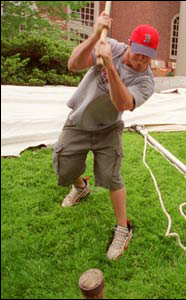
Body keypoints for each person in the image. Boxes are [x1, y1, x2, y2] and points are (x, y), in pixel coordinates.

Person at [52, 11, 159, 260]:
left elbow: (121, 103)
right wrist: (93, 38)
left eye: (148, 56)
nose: (141, 59)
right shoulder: (109, 44)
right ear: (130, 43)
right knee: (64, 168)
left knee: (112, 177)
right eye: (138, 51)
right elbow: (73, 64)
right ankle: (80, 188)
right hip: (79, 121)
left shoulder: (146, 82)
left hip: (108, 129)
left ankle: (123, 228)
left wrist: (110, 65)